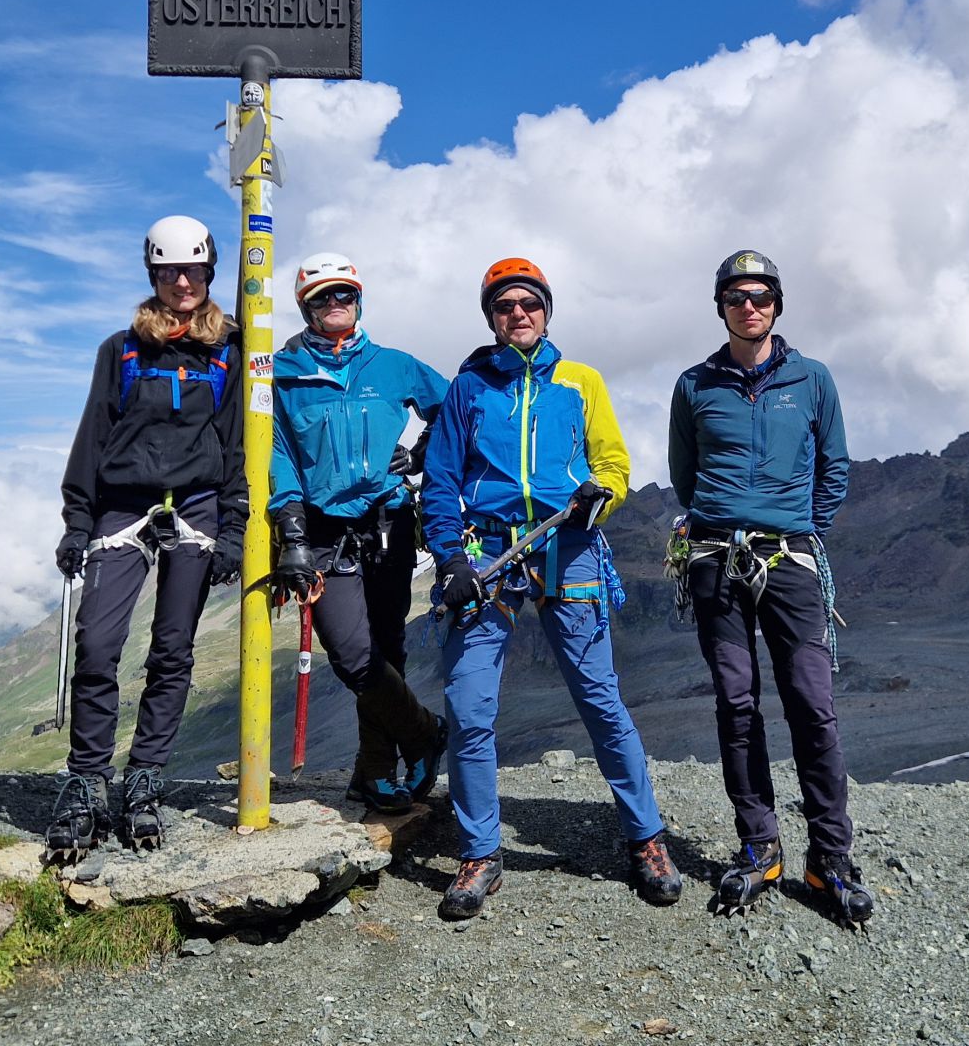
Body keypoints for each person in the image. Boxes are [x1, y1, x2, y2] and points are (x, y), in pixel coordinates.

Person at [418, 257, 681, 919]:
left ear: (546, 310)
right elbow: (441, 479)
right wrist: (448, 558)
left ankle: (647, 839)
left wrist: (601, 497)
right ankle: (480, 852)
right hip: (487, 553)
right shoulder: (469, 387)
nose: (519, 314)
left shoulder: (581, 381)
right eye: (504, 306)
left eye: (529, 303)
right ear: (491, 317)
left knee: (600, 700)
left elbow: (612, 463)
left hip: (570, 544)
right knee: (469, 706)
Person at [667, 250, 871, 925]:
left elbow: (834, 465)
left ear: (777, 304)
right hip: (715, 559)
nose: (748, 306)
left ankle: (829, 858)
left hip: (790, 560)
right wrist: (722, 521)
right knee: (736, 703)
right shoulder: (694, 385)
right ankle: (760, 848)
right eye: (736, 297)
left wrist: (800, 528)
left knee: (812, 704)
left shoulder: (813, 379)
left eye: (759, 296)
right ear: (720, 307)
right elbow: (685, 474)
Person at [49, 216, 246, 861]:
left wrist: (234, 529)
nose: (181, 283)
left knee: (172, 651)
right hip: (123, 504)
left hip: (197, 505)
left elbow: (239, 444)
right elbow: (93, 433)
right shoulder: (122, 350)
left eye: (192, 271)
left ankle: (144, 781)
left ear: (209, 273)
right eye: (168, 272)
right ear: (153, 275)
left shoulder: (230, 352)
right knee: (97, 645)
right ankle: (87, 782)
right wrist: (77, 521)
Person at [269, 251, 448, 812]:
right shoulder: (282, 374)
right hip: (322, 531)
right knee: (352, 655)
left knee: (387, 649)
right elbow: (277, 453)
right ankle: (425, 733)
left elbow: (452, 409)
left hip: (388, 523)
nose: (335, 302)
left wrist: (420, 453)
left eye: (344, 292)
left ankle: (374, 772)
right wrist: (291, 531)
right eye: (322, 296)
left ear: (359, 298)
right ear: (305, 307)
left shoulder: (393, 365)